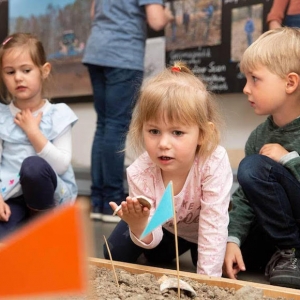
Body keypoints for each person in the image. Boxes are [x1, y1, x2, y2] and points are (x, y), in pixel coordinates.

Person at [104, 62, 233, 277]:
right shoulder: (139, 172)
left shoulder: (213, 161)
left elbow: (214, 225)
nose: (163, 143)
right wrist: (140, 224)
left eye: (177, 133)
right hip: (167, 230)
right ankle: (159, 254)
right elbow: (151, 232)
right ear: (141, 128)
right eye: (154, 131)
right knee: (112, 253)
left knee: (213, 264)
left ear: (203, 134)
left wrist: (208, 282)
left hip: (205, 232)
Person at [82, 0, 174, 223]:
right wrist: (168, 14)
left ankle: (98, 202)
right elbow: (156, 20)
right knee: (116, 125)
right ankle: (112, 200)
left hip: (96, 50)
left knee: (103, 124)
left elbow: (94, 13)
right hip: (123, 54)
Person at [223, 27, 300, 289]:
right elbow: (246, 196)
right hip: (279, 228)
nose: (246, 89)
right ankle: (283, 254)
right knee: (214, 254)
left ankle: (291, 252)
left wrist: (288, 160)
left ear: (290, 83)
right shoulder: (259, 136)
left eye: (255, 79)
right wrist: (232, 239)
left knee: (254, 167)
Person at [0, 33, 78, 239]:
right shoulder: (1, 116)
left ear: (44, 71)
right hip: (10, 197)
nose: (18, 77)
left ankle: (43, 227)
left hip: (49, 198)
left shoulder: (58, 114)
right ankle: (24, 227)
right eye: (10, 72)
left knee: (33, 166)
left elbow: (61, 165)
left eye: (26, 70)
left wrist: (33, 132)